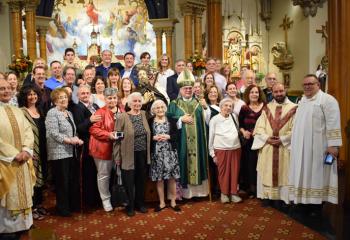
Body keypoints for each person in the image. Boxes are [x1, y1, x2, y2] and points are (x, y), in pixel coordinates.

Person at [289, 74, 342, 213]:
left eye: (310, 84)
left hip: (319, 148)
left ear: (318, 84)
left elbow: (333, 122)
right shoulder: (302, 101)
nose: (307, 87)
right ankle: (303, 201)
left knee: (317, 175)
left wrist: (333, 145)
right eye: (305, 84)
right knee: (302, 173)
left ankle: (317, 205)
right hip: (301, 148)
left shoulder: (328, 100)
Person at [167, 69, 210, 199]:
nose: (188, 90)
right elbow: (168, 121)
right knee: (183, 162)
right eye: (185, 88)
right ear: (180, 89)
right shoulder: (174, 104)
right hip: (182, 143)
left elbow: (208, 121)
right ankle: (184, 194)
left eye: (190, 88)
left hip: (198, 143)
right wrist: (180, 120)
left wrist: (206, 108)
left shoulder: (199, 102)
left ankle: (199, 193)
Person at [0, 79, 35, 238]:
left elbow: (28, 131)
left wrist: (26, 150)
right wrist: (14, 154)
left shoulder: (18, 110)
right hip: (6, 164)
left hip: (23, 161)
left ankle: (22, 228)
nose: (6, 91)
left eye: (8, 88)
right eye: (1, 89)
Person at [252, 83, 297, 205]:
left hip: (284, 147)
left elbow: (296, 129)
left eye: (281, 91)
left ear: (285, 90)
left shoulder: (294, 108)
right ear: (272, 92)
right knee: (266, 171)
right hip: (268, 147)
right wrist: (267, 139)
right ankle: (267, 197)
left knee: (284, 172)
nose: (279, 94)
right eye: (276, 92)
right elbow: (259, 128)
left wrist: (282, 139)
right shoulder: (267, 108)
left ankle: (283, 198)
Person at [45, 88, 83, 216]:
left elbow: (72, 130)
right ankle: (63, 208)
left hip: (71, 152)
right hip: (59, 153)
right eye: (60, 97)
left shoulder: (69, 113)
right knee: (62, 182)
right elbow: (53, 133)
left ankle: (72, 205)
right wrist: (70, 140)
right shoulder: (52, 113)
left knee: (72, 180)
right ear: (55, 101)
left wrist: (76, 138)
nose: (63, 99)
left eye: (65, 97)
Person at [113, 92, 151, 217]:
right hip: (128, 154)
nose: (137, 104)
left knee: (141, 180)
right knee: (129, 181)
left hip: (143, 153)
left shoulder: (145, 115)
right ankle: (130, 205)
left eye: (139, 101)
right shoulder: (122, 117)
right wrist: (117, 156)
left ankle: (140, 203)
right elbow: (117, 137)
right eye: (134, 101)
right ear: (129, 103)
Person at [18, 85, 49, 220]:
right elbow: (20, 134)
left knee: (43, 176)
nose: (32, 97)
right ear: (24, 97)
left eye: (34, 94)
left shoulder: (41, 110)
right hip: (31, 150)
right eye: (29, 95)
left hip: (44, 148)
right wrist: (28, 150)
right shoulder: (21, 112)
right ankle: (32, 207)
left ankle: (39, 204)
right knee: (32, 178)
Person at [89, 88, 120, 212]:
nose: (112, 100)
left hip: (117, 149)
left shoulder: (121, 110)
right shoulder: (99, 112)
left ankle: (117, 198)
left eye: (114, 98)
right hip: (102, 149)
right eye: (109, 98)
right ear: (105, 99)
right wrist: (108, 135)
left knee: (119, 174)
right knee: (103, 175)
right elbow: (93, 130)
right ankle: (105, 200)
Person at [71, 85, 101, 208]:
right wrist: (90, 120)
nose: (85, 95)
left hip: (99, 142)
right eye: (82, 93)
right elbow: (79, 128)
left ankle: (97, 198)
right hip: (87, 145)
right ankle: (89, 202)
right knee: (88, 174)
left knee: (97, 173)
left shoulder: (95, 106)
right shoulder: (77, 108)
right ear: (78, 95)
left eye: (87, 93)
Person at [149, 100, 181, 212]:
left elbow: (177, 135)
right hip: (157, 154)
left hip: (170, 153)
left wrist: (168, 136)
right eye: (157, 108)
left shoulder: (171, 120)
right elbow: (147, 136)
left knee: (172, 178)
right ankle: (162, 203)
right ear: (153, 110)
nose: (160, 109)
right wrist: (153, 138)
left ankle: (173, 201)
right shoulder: (150, 121)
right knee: (159, 179)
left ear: (165, 108)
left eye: (162, 107)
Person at [208, 98, 242, 203]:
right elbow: (211, 136)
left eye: (230, 106)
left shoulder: (234, 117)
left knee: (235, 172)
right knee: (223, 173)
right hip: (221, 149)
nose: (228, 108)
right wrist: (212, 154)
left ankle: (234, 193)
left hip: (235, 148)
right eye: (225, 105)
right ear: (221, 107)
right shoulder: (214, 119)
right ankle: (224, 193)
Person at [238, 84, 265, 198]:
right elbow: (240, 124)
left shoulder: (265, 107)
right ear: (248, 94)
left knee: (262, 164)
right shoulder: (244, 108)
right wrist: (244, 132)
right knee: (250, 165)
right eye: (252, 92)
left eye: (256, 92)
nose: (254, 94)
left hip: (262, 140)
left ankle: (262, 189)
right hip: (248, 141)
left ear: (260, 94)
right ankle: (252, 189)